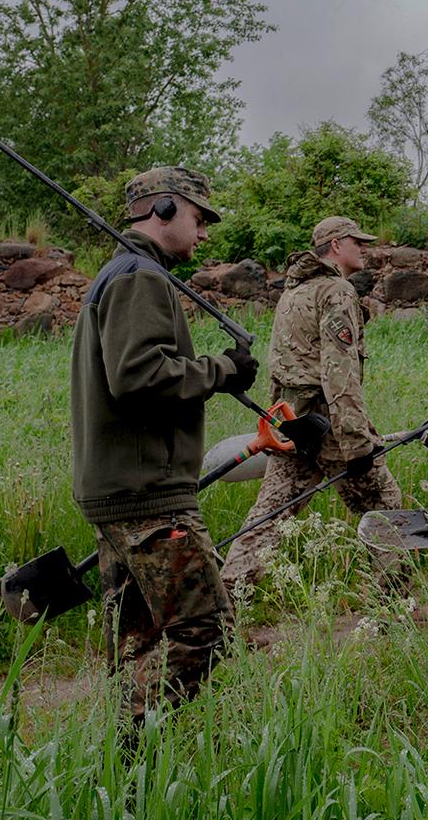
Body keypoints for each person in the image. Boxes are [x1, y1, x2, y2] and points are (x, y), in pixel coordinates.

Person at [70, 166, 259, 727]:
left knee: (139, 644)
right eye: (199, 219)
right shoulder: (138, 278)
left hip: (120, 492)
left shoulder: (117, 274)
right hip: (149, 495)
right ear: (167, 210)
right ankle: (132, 748)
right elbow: (139, 376)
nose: (203, 235)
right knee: (206, 630)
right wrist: (223, 369)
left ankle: (128, 776)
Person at [220, 216, 405, 593]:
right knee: (384, 502)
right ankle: (392, 605)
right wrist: (356, 442)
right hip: (328, 422)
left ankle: (225, 608)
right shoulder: (336, 291)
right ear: (336, 245)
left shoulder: (294, 292)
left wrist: (282, 421)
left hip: (293, 423)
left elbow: (281, 364)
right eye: (358, 241)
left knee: (270, 514)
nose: (365, 247)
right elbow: (340, 373)